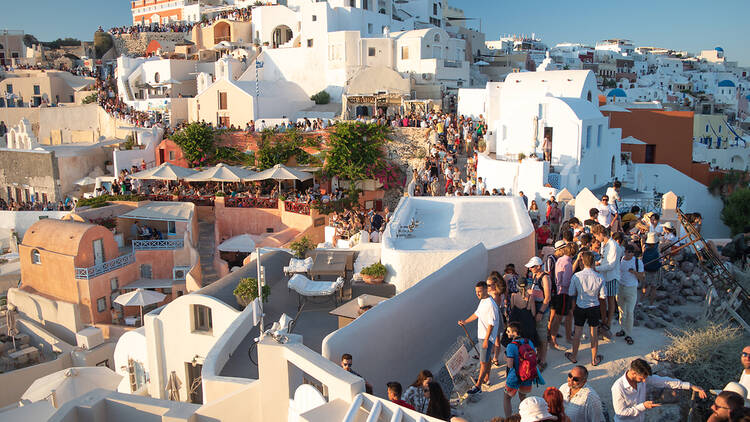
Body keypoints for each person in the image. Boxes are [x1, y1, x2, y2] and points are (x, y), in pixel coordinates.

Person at [611, 358, 706, 422]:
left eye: (645, 378)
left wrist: (690, 386)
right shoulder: (618, 388)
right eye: (642, 378)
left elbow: (665, 382)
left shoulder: (643, 379)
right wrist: (643, 406)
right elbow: (620, 413)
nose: (644, 381)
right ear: (633, 373)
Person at [565, 251, 606, 366]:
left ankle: (574, 356)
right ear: (593, 262)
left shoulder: (576, 276)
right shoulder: (599, 277)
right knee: (594, 333)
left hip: (580, 306)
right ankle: (594, 359)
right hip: (594, 306)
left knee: (578, 331)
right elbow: (603, 296)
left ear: (582, 262)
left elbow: (571, 292)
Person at [459, 281, 500, 394]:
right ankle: (486, 379)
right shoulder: (483, 301)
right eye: (476, 292)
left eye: (479, 292)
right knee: (486, 360)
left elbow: (491, 324)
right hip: (483, 336)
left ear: (486, 290)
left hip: (486, 337)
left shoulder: (491, 304)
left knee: (483, 362)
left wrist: (486, 340)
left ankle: (478, 387)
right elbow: (477, 314)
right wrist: (465, 322)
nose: (477, 294)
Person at [504, 322, 544, 418]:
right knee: (523, 397)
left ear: (514, 332)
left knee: (507, 398)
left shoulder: (511, 346)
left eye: (508, 331)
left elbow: (510, 365)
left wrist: (505, 357)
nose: (506, 332)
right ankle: (525, 416)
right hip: (527, 375)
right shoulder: (529, 342)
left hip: (514, 377)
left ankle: (508, 419)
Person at [592, 224, 621, 334]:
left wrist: (597, 268)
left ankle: (608, 321)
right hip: (603, 275)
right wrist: (599, 264)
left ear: (600, 234)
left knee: (610, 299)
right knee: (602, 298)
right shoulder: (604, 244)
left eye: (596, 236)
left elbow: (612, 264)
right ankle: (603, 318)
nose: (596, 239)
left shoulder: (613, 245)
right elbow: (604, 260)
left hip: (612, 276)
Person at [526, 256, 551, 370]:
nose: (530, 269)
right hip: (535, 307)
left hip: (541, 309)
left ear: (539, 266)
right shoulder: (535, 275)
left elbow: (547, 297)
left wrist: (541, 312)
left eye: (532, 267)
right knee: (537, 334)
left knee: (542, 335)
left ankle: (543, 360)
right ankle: (539, 356)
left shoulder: (545, 278)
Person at [550, 242, 575, 349]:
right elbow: (566, 282)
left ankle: (568, 337)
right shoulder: (568, 264)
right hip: (564, 292)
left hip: (559, 291)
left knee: (568, 314)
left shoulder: (560, 260)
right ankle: (553, 341)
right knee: (559, 317)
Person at [616, 244, 641, 345]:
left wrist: (634, 272)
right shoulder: (621, 260)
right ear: (625, 252)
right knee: (621, 311)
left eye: (631, 252)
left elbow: (642, 276)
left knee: (630, 312)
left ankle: (628, 334)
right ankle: (622, 329)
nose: (629, 254)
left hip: (631, 288)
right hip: (621, 287)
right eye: (628, 251)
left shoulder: (637, 262)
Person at [641, 233, 662, 306]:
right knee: (653, 287)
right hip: (655, 270)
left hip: (646, 269)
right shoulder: (657, 249)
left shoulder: (645, 248)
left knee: (645, 285)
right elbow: (660, 260)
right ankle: (651, 304)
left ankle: (641, 301)